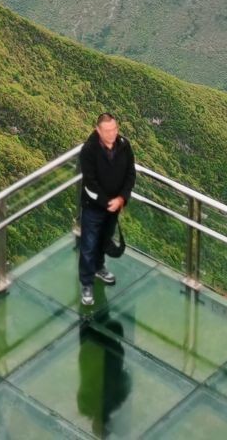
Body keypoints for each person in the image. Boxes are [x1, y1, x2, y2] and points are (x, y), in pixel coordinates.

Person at [77, 112, 134, 307]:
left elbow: (130, 174)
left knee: (104, 239)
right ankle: (87, 284)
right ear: (98, 130)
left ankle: (99, 267)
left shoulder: (124, 145)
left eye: (114, 129)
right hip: (94, 207)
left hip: (115, 205)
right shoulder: (89, 150)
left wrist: (122, 198)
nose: (112, 134)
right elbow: (89, 183)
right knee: (88, 245)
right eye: (107, 131)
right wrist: (108, 202)